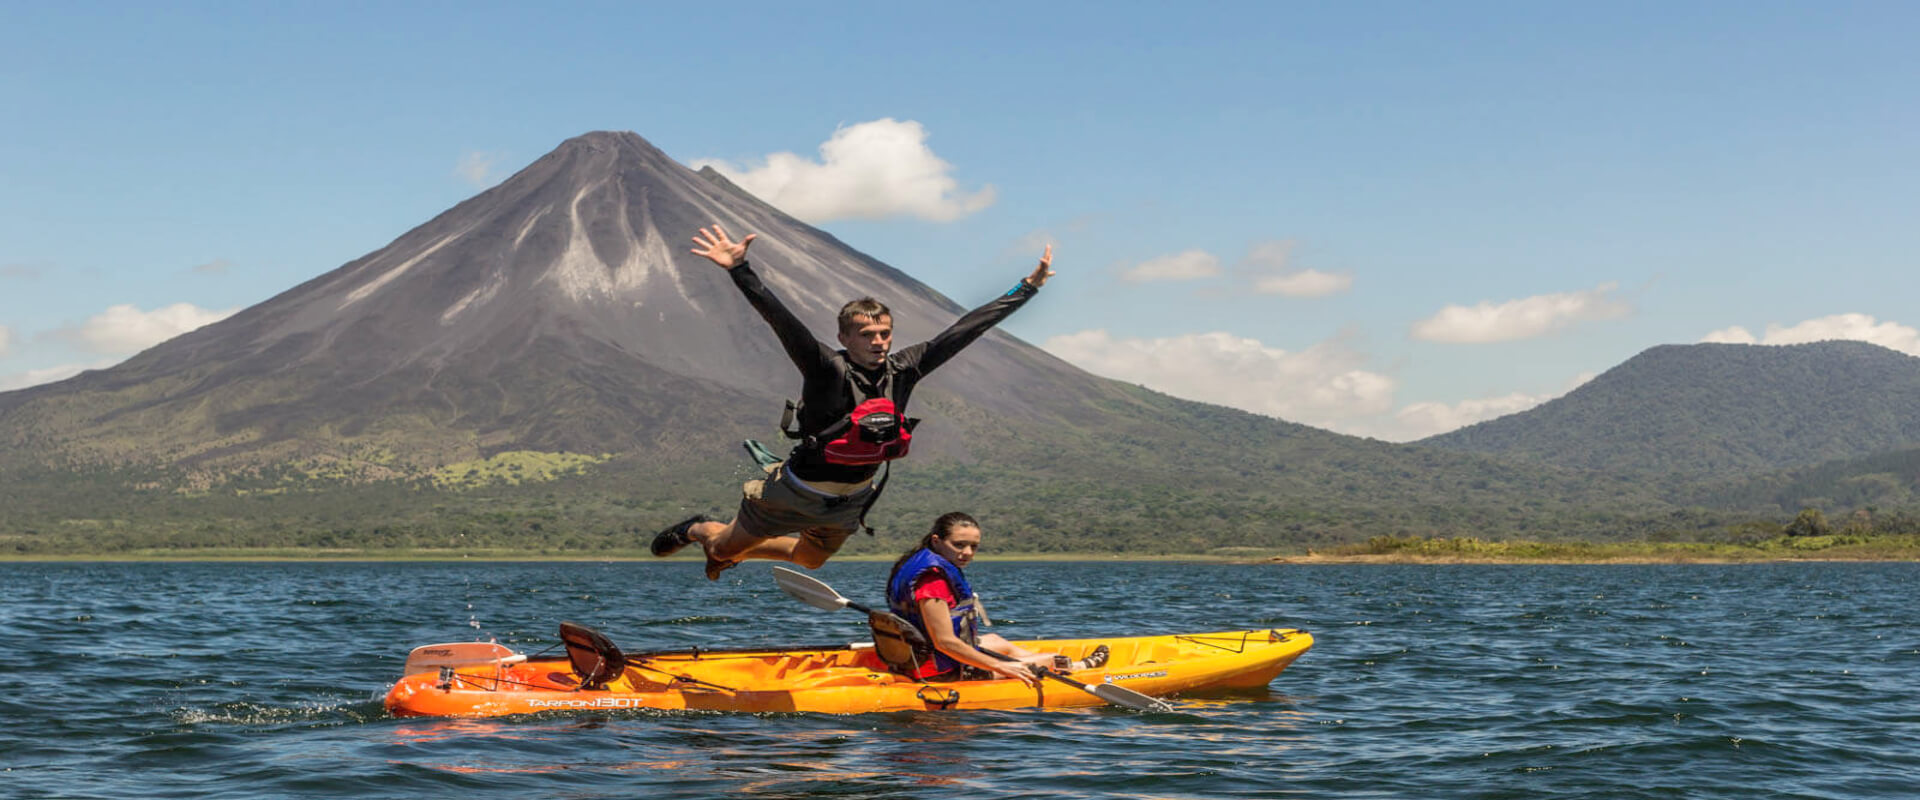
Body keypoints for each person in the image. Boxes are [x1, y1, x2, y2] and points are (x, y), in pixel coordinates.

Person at [652, 223, 1057, 580]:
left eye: (884, 333)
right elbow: (779, 318)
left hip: (851, 497)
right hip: (794, 490)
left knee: (810, 561)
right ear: (845, 338)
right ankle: (701, 530)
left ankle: (737, 544)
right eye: (866, 334)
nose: (878, 341)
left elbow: (966, 330)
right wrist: (740, 269)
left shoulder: (906, 368)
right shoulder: (825, 366)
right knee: (723, 551)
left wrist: (1028, 288)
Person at [883, 512, 1107, 685]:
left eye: (974, 546)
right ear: (936, 541)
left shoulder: (916, 562)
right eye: (959, 544)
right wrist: (1000, 667)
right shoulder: (933, 581)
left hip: (920, 657)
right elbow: (945, 642)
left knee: (996, 641)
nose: (968, 552)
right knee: (1047, 662)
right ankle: (1077, 667)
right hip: (941, 671)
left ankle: (1029, 660)